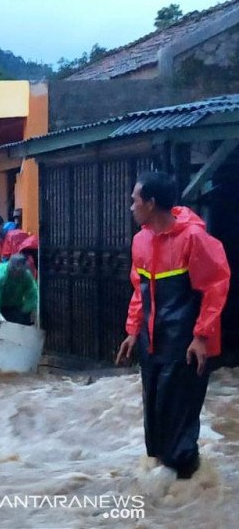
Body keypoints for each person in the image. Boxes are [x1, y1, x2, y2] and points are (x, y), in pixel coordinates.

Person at [115, 171, 230, 480]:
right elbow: (139, 291)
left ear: (151, 204)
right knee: (156, 423)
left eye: (135, 200)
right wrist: (131, 330)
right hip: (152, 343)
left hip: (186, 345)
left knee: (179, 427)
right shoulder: (141, 241)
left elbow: (215, 287)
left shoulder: (194, 239)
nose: (131, 207)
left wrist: (202, 336)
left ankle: (189, 491)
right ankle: (169, 501)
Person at [0, 254, 38, 325]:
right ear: (11, 269)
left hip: (12, 302)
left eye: (21, 272)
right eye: (17, 272)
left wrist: (25, 312)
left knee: (19, 320)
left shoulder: (25, 275)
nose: (19, 274)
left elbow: (33, 295)